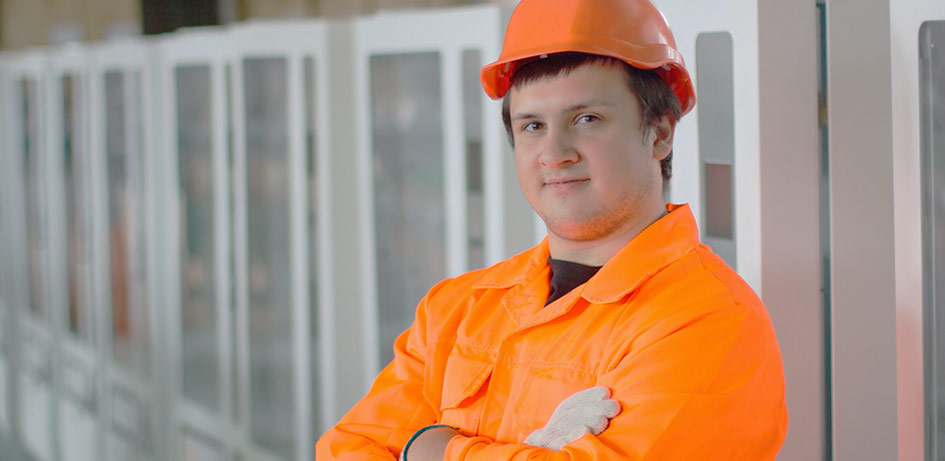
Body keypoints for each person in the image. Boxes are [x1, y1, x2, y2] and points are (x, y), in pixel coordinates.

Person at [316, 0, 788, 459]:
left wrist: (430, 449)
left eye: (587, 119)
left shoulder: (707, 323)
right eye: (533, 125)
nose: (554, 152)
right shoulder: (458, 308)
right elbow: (346, 448)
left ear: (660, 133)